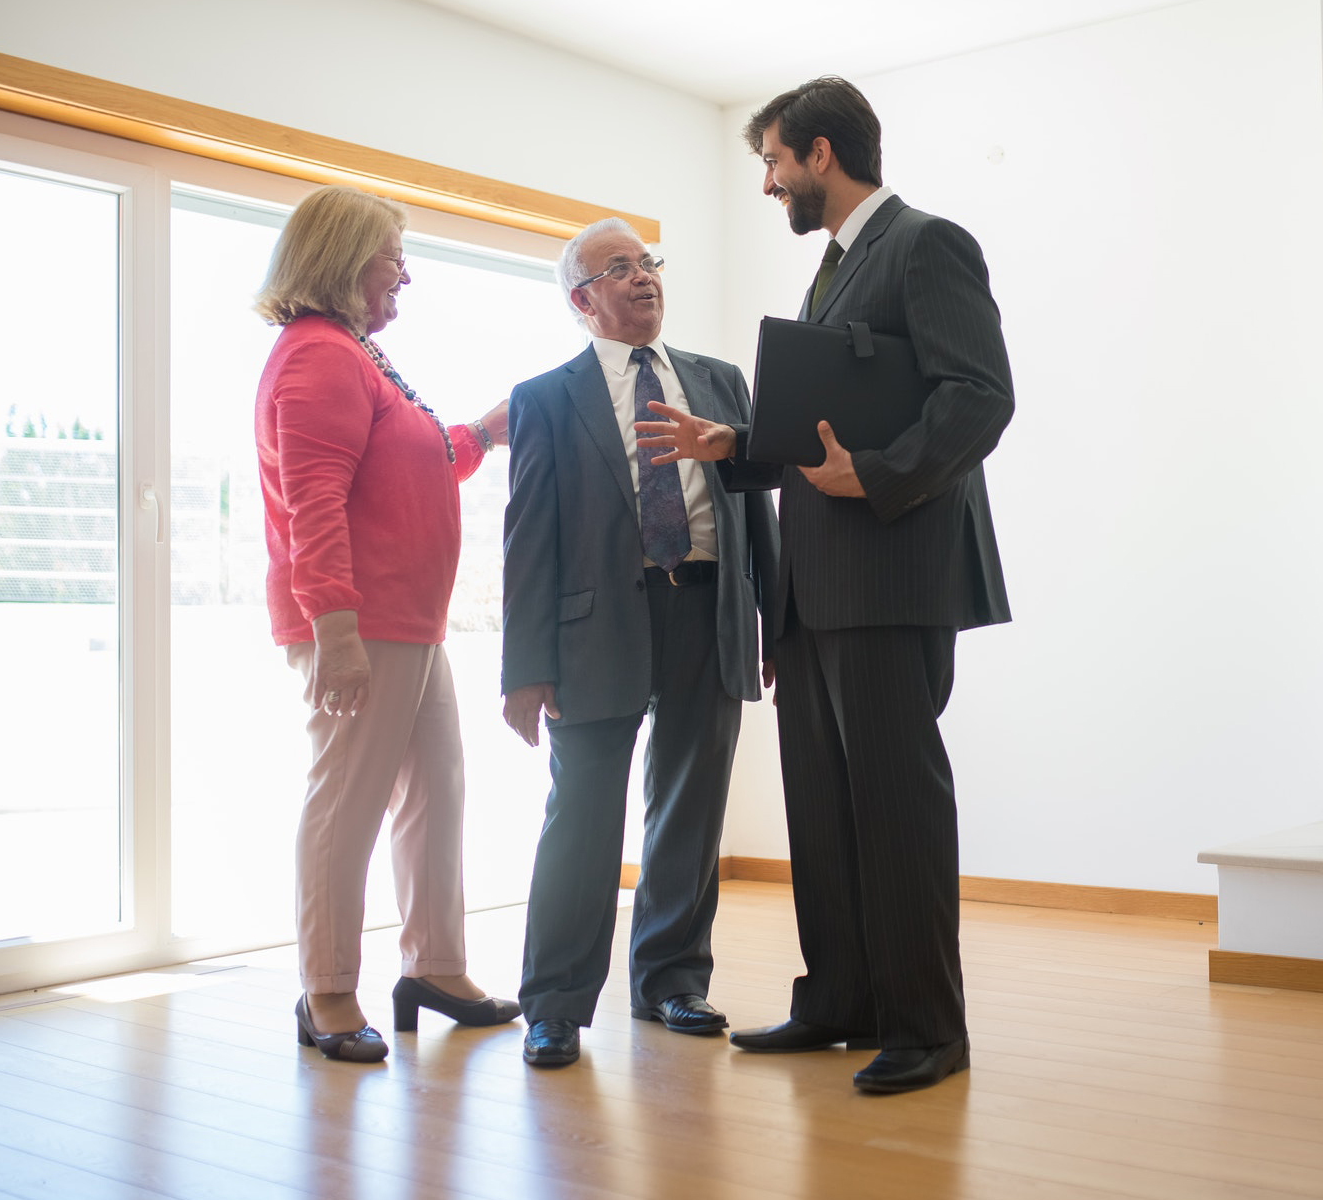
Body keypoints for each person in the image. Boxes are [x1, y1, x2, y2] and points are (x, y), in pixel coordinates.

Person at [637, 77, 1012, 1094]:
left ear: (818, 152)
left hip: (889, 577)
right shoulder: (835, 269)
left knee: (896, 805)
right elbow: (823, 422)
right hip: (811, 587)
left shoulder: (928, 245)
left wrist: (878, 474)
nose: (766, 184)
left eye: (771, 163)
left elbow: (980, 397)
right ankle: (841, 999)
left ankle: (929, 1029)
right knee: (823, 806)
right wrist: (739, 444)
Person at [500, 219, 782, 1069]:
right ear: (583, 302)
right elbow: (528, 539)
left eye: (647, 263)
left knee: (690, 813)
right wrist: (525, 668)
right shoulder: (546, 397)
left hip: (707, 610)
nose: (642, 278)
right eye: (618, 269)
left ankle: (671, 983)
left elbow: (754, 508)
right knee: (582, 818)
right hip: (597, 628)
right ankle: (553, 1004)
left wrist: (771, 616)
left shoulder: (720, 382)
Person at [254, 184, 519, 1062]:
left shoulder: (358, 355)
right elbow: (313, 508)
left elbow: (422, 462)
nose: (405, 271)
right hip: (360, 625)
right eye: (392, 254)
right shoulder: (318, 357)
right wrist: (336, 635)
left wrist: (484, 430)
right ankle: (327, 990)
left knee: (436, 793)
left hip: (411, 624)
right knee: (348, 803)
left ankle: (435, 966)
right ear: (343, 258)